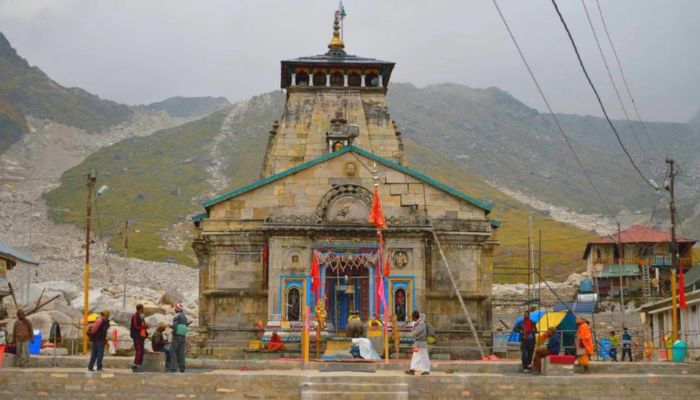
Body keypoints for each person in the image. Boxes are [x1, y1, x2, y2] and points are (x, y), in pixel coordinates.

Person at [404, 310, 430, 375]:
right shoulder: (417, 323)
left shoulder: (421, 323)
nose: (412, 318)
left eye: (412, 317)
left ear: (415, 317)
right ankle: (412, 369)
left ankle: (426, 370)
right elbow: (414, 333)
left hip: (422, 343)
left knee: (424, 356)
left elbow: (415, 333)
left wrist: (413, 331)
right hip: (417, 343)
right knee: (415, 356)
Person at [170, 303, 189, 373]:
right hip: (183, 336)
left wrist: (173, 331)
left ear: (177, 309)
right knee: (181, 352)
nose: (174, 309)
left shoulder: (177, 316)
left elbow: (175, 326)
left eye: (175, 308)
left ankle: (173, 367)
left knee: (173, 351)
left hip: (176, 336)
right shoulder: (184, 316)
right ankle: (182, 368)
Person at [130, 304, 148, 372]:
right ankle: (135, 365)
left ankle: (139, 365)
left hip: (142, 336)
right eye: (143, 308)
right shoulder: (135, 316)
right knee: (139, 350)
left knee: (141, 351)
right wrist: (144, 327)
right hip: (137, 336)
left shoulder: (142, 316)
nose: (144, 309)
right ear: (140, 309)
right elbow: (135, 326)